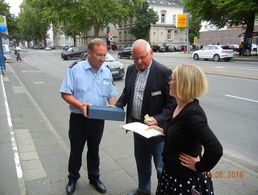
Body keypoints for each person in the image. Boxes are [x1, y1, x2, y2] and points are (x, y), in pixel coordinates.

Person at [116, 39, 175, 195]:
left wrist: (158, 119)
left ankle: (164, 192)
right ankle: (143, 190)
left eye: (142, 57)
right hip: (137, 127)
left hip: (156, 131)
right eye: (135, 58)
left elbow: (172, 103)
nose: (139, 61)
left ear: (151, 53)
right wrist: (116, 106)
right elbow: (126, 93)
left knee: (161, 167)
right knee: (142, 162)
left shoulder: (164, 73)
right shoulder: (131, 70)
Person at [153, 64, 223, 195]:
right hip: (171, 174)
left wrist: (199, 166)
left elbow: (215, 149)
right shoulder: (178, 105)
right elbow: (180, 130)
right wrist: (162, 130)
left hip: (184, 180)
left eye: (172, 79)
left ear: (183, 84)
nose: (169, 82)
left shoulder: (192, 114)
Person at [60, 38, 118, 195]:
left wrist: (112, 106)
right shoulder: (75, 69)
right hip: (79, 119)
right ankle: (73, 178)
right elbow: (65, 93)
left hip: (98, 120)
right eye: (99, 55)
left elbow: (111, 95)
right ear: (89, 53)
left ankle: (94, 178)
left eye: (104, 55)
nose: (102, 58)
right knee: (76, 151)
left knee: (94, 150)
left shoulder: (106, 71)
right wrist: (80, 105)